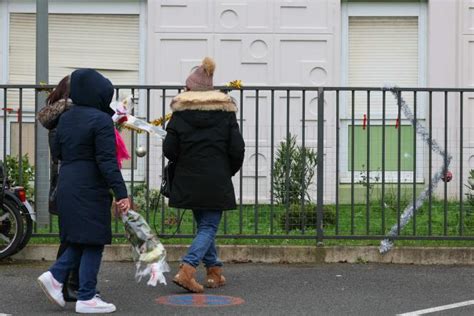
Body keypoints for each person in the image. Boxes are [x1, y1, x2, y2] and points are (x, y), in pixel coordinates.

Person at [37, 69, 130, 314]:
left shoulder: (66, 118)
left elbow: (57, 152)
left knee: (82, 239)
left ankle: (57, 277)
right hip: (90, 186)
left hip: (67, 182)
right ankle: (86, 296)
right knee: (94, 240)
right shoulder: (100, 121)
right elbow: (107, 162)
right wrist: (121, 193)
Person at [163, 57, 245, 293]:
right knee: (208, 225)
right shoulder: (225, 114)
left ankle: (214, 272)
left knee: (204, 224)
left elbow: (169, 149)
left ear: (190, 89)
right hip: (216, 177)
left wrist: (185, 164)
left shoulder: (179, 115)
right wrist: (226, 170)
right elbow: (237, 149)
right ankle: (187, 270)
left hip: (188, 178)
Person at [37, 75, 79, 302]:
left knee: (71, 235)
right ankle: (63, 282)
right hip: (68, 182)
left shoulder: (60, 116)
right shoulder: (66, 117)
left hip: (62, 182)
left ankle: (68, 282)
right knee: (72, 237)